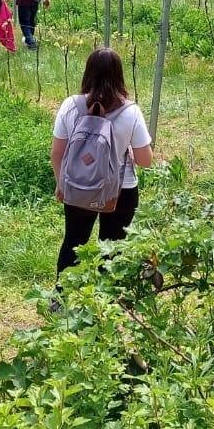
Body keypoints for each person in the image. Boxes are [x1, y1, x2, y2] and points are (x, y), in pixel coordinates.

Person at [51, 49, 154, 277]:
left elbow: (57, 152)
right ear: (119, 75)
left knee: (74, 242)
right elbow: (145, 161)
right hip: (121, 190)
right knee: (112, 247)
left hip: (78, 185)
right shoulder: (131, 112)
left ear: (87, 72)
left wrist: (61, 184)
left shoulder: (70, 105)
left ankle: (62, 293)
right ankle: (104, 295)